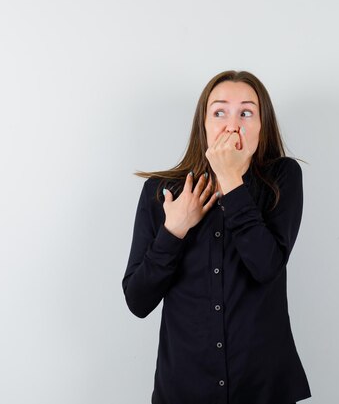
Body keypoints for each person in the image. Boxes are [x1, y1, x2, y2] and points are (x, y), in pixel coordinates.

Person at [121, 70, 312, 404]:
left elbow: (266, 267)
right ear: (204, 124)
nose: (232, 124)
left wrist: (231, 180)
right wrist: (174, 230)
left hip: (264, 390)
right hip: (183, 390)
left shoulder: (283, 179)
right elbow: (138, 301)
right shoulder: (161, 193)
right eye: (220, 112)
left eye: (247, 112)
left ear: (261, 126)